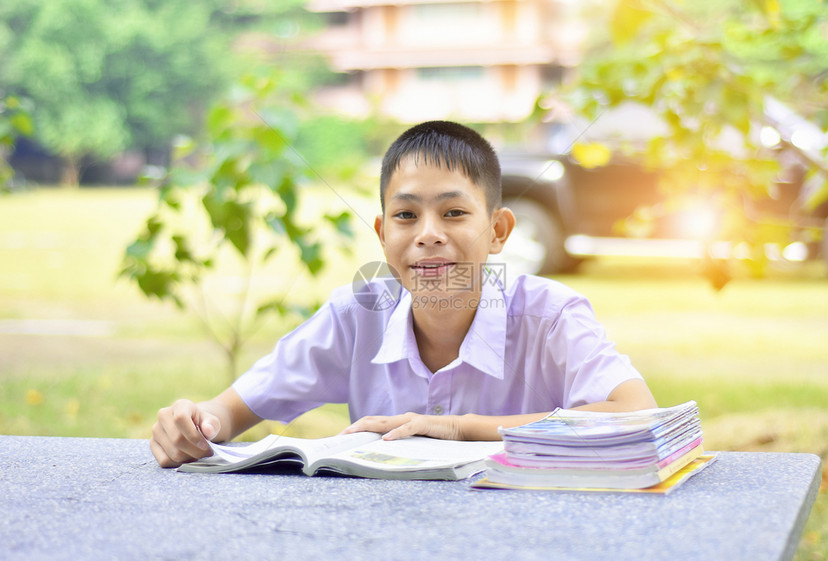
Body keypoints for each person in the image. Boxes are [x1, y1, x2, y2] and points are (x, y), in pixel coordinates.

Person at [150, 121, 657, 468]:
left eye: (454, 213)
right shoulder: (356, 315)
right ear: (382, 232)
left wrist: (464, 428)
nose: (428, 234)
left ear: (499, 230)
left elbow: (636, 414)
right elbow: (230, 411)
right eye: (406, 215)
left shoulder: (548, 316)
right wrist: (196, 424)